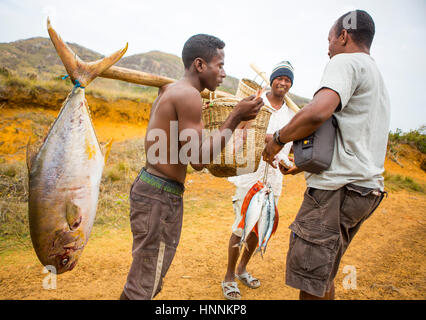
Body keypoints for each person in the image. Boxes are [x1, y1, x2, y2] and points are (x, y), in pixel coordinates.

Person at [120, 34, 264, 300]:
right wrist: (235, 117)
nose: (223, 72)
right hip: (160, 196)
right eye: (219, 65)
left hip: (152, 188)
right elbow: (198, 159)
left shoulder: (173, 90)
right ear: (199, 65)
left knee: (147, 276)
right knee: (144, 283)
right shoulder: (188, 96)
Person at [262, 10, 390, 300]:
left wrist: (279, 140)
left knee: (311, 282)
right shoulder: (375, 74)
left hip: (336, 193)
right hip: (364, 191)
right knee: (325, 274)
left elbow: (318, 112)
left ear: (344, 35)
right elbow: (348, 137)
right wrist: (301, 166)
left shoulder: (345, 61)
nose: (328, 47)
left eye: (330, 39)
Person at [222, 61, 296, 300]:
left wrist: (284, 160)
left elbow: (288, 145)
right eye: (280, 78)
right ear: (272, 80)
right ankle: (229, 276)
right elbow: (241, 132)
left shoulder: (292, 114)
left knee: (260, 226)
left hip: (273, 178)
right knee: (241, 225)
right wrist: (273, 139)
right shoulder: (255, 102)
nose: (283, 83)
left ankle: (243, 268)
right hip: (250, 173)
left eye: (288, 80)